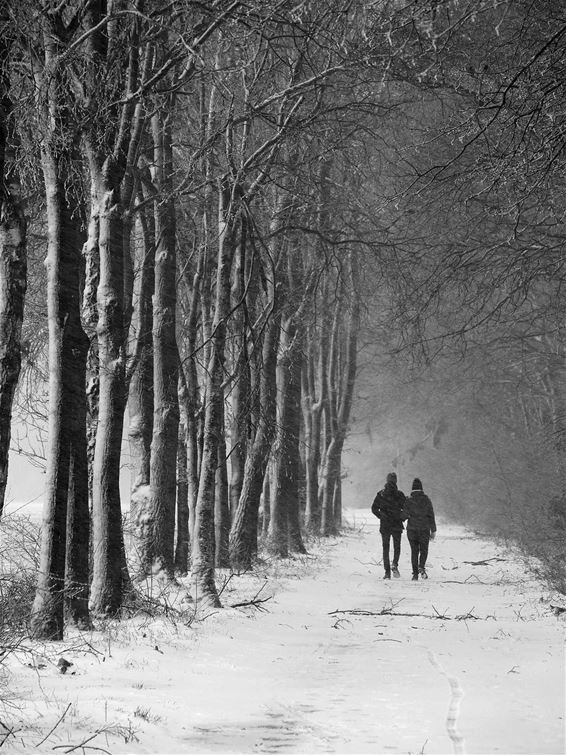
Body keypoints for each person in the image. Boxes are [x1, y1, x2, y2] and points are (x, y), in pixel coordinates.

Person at [371, 472, 408, 579]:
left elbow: (373, 508)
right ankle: (395, 564)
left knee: (385, 548)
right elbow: (406, 509)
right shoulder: (400, 495)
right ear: (396, 481)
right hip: (397, 524)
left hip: (385, 525)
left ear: (386, 480)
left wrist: (381, 515)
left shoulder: (381, 494)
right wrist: (401, 517)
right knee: (397, 547)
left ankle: (387, 572)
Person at [405, 477, 436, 580]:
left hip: (412, 530)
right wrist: (433, 530)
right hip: (424, 529)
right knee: (424, 550)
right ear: (421, 488)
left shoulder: (409, 500)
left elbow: (404, 515)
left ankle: (415, 574)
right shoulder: (426, 500)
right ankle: (421, 566)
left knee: (414, 551)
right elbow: (431, 515)